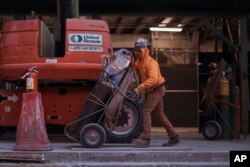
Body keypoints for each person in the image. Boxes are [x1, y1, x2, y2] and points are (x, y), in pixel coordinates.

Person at [132, 37, 180, 147]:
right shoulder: (140, 62)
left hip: (157, 89)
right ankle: (174, 137)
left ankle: (146, 138)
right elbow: (134, 66)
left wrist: (139, 88)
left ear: (144, 50)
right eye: (135, 50)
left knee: (146, 111)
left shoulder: (150, 62)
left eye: (138, 50)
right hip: (154, 89)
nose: (136, 52)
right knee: (160, 114)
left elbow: (153, 79)